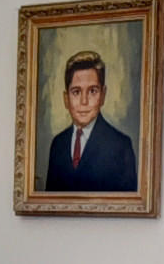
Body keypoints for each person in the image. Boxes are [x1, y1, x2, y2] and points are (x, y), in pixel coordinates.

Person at [42, 46, 138, 193]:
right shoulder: (58, 144)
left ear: (103, 95)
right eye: (76, 92)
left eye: (92, 91)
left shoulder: (120, 146)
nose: (84, 101)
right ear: (66, 99)